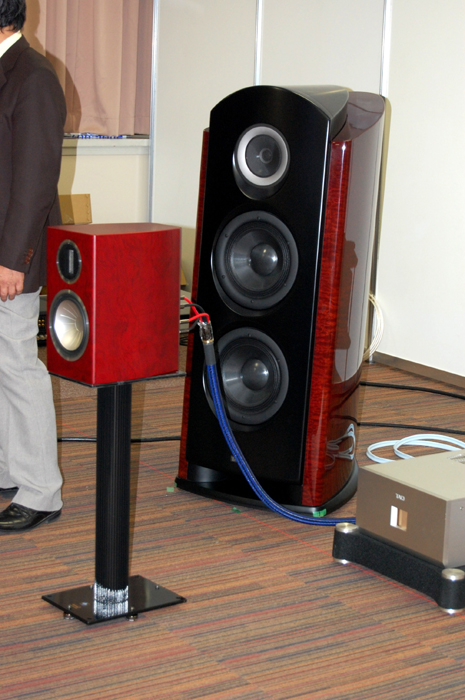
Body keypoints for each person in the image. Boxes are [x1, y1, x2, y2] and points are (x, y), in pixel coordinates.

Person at [0, 0, 66, 532]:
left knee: (18, 366)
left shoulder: (34, 77)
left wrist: (12, 260)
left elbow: (35, 181)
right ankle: (10, 468)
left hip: (10, 257)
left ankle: (41, 489)